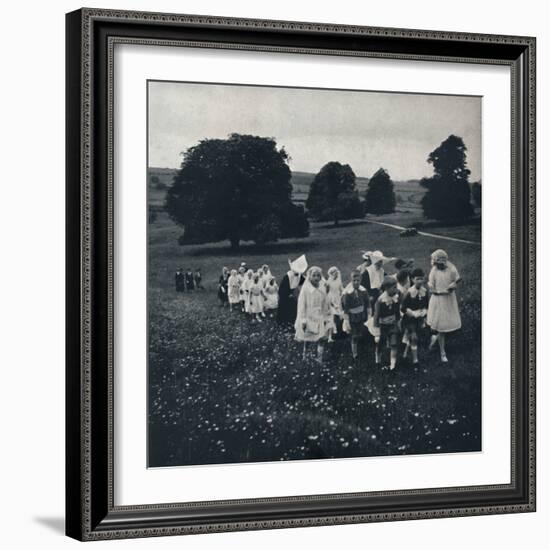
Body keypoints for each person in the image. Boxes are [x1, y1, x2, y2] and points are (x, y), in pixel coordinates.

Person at [426, 249, 462, 363]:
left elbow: (458, 279)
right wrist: (432, 287)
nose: (438, 265)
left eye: (440, 263)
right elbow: (430, 283)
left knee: (446, 325)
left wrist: (452, 285)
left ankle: (435, 339)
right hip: (438, 299)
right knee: (441, 327)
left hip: (448, 299)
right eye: (436, 263)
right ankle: (442, 352)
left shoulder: (451, 268)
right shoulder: (434, 270)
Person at [294, 266, 331, 363]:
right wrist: (303, 320)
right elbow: (301, 306)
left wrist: (326, 316)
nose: (316, 278)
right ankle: (305, 356)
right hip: (309, 316)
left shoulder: (322, 289)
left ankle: (319, 358)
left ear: (320, 277)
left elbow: (324, 302)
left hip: (319, 316)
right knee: (308, 338)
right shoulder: (306, 289)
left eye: (318, 275)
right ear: (309, 277)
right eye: (314, 275)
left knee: (322, 337)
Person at [370, 276, 401, 370]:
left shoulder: (396, 296)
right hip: (382, 325)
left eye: (396, 286)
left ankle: (393, 364)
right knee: (381, 343)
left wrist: (398, 321)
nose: (396, 289)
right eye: (394, 287)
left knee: (394, 343)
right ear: (387, 289)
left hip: (393, 323)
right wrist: (376, 332)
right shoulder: (381, 300)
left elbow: (397, 311)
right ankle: (377, 359)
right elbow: (376, 315)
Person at [401, 268, 429, 364]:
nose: (420, 281)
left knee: (417, 335)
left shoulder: (424, 291)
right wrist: (412, 313)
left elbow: (427, 304)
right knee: (414, 337)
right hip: (410, 318)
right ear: (412, 279)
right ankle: (415, 359)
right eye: (417, 279)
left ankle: (406, 350)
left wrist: (425, 312)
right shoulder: (409, 292)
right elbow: (403, 308)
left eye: (421, 279)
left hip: (420, 317)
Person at [341, 269, 371, 360]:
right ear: (351, 281)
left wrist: (369, 314)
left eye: (358, 280)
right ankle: (355, 353)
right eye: (354, 281)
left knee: (360, 332)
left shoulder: (364, 291)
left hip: (361, 314)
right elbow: (345, 308)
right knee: (354, 335)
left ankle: (359, 344)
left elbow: (368, 303)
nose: (356, 282)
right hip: (352, 316)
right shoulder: (348, 293)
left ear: (361, 280)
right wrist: (346, 320)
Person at [277, 254, 307, 327]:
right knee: (284, 307)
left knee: (293, 307)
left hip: (292, 293)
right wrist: (287, 294)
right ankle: (282, 322)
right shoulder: (288, 276)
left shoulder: (299, 275)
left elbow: (303, 281)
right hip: (285, 293)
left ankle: (292, 320)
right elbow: (282, 288)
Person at [326, 266, 345, 343]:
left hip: (338, 299)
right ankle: (330, 336)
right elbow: (326, 292)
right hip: (330, 299)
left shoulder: (339, 281)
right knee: (332, 316)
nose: (335, 274)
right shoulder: (328, 282)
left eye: (336, 273)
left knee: (340, 316)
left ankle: (340, 332)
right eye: (333, 273)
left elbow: (341, 289)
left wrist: (344, 293)